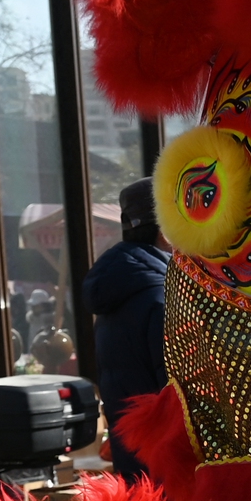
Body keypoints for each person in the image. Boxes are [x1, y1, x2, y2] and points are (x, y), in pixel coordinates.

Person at [84, 180, 170, 482]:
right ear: (166, 230)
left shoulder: (120, 287)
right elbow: (177, 396)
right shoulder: (161, 295)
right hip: (170, 468)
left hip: (132, 459)